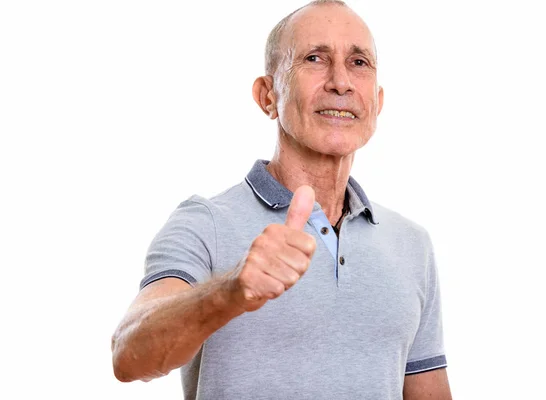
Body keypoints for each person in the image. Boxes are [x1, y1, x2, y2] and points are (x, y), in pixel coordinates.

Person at [111, 1, 452, 399]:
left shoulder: (412, 244)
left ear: (376, 101)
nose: (341, 82)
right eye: (314, 58)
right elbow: (129, 356)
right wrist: (231, 291)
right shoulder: (205, 222)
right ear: (267, 95)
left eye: (359, 62)